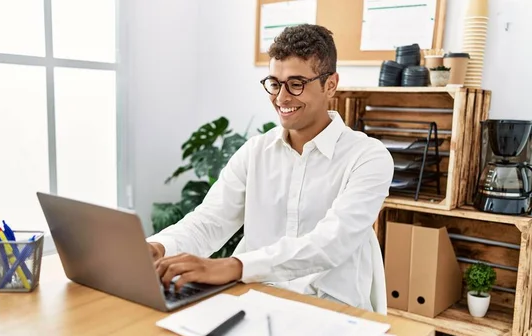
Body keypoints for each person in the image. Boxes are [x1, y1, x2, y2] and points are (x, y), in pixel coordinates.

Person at [146, 24, 393, 312]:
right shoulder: (255, 152)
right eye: (275, 83)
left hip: (331, 308)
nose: (281, 98)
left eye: (296, 84)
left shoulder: (368, 157)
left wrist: (234, 266)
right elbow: (210, 220)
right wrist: (159, 247)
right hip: (255, 300)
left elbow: (331, 242)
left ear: (330, 84)